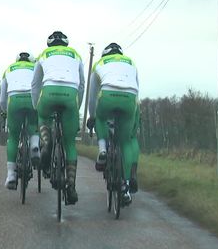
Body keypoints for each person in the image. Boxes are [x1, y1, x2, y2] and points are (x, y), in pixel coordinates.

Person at [31, 31, 85, 205]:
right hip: (71, 96)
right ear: (65, 44)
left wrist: (36, 106)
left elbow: (35, 84)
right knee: (70, 144)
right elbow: (82, 84)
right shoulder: (76, 55)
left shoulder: (43, 55)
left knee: (43, 117)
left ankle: (46, 143)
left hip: (48, 93)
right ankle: (71, 187)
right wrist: (78, 105)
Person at [86, 42, 140, 205]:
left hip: (107, 94)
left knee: (101, 118)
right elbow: (137, 89)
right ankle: (126, 186)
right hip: (130, 98)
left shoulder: (99, 64)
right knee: (125, 142)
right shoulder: (131, 63)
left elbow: (93, 96)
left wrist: (92, 116)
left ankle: (102, 151)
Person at [0, 52, 40, 190]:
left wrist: (5, 111)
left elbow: (2, 99)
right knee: (34, 124)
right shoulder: (35, 67)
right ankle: (35, 146)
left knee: (13, 137)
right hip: (31, 98)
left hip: (14, 100)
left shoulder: (9, 69)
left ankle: (11, 175)